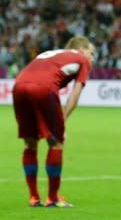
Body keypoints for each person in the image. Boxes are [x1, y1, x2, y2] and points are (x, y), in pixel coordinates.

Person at [12, 36, 95, 208]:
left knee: (30, 143)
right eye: (91, 53)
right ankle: (53, 198)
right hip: (43, 87)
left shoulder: (50, 54)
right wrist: (61, 121)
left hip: (18, 85)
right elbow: (75, 95)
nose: (92, 58)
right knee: (56, 143)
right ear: (81, 50)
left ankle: (34, 198)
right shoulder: (82, 60)